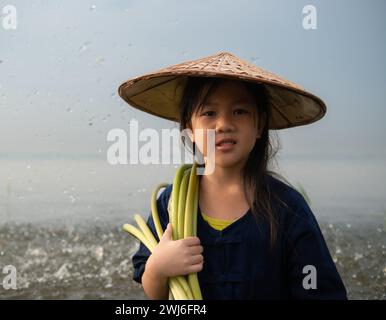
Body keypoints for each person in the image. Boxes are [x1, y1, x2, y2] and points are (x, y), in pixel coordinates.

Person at [118, 52, 347, 299]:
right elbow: (157, 294)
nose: (224, 124)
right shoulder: (171, 203)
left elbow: (319, 290)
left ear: (259, 126)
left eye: (239, 111)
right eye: (209, 113)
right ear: (189, 130)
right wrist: (158, 269)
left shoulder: (287, 207)